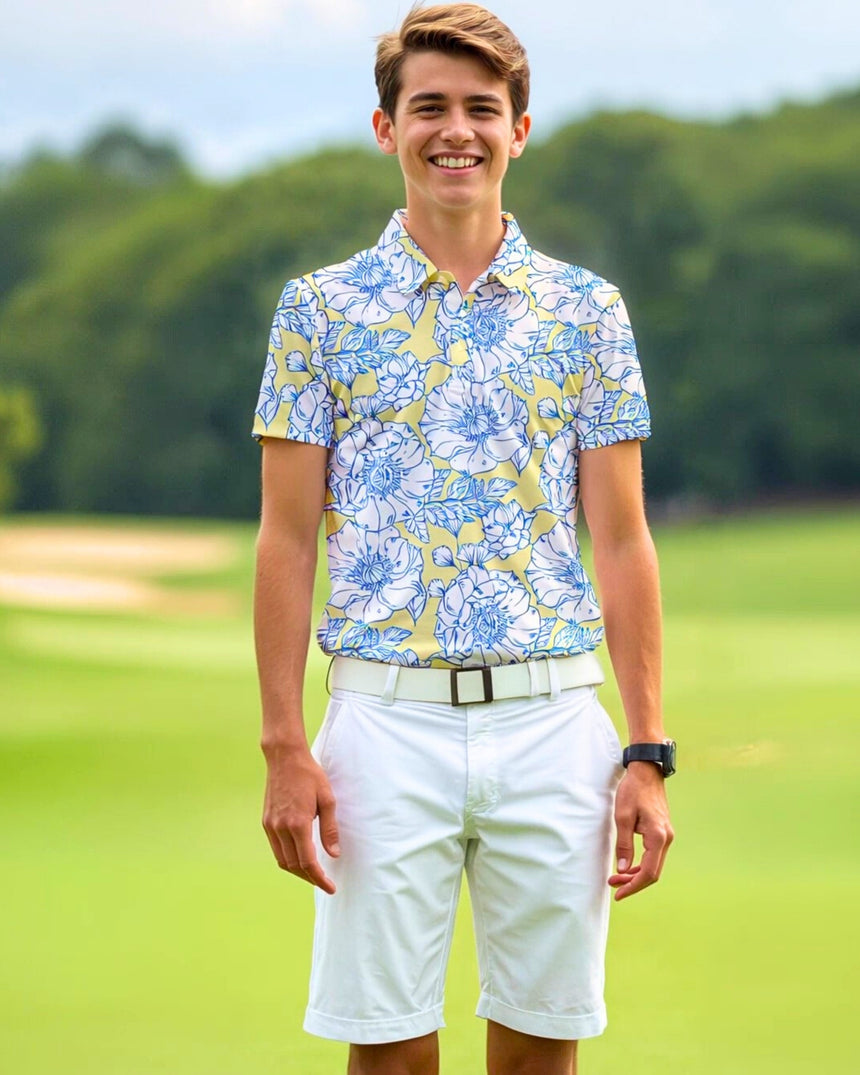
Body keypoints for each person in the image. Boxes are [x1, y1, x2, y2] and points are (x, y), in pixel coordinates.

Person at [252, 4, 674, 1073]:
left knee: (542, 1046)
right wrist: (283, 744)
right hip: (380, 726)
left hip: (552, 722)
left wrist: (646, 749)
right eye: (427, 106)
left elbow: (619, 540)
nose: (456, 131)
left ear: (518, 129)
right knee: (387, 1050)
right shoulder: (319, 311)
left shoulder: (586, 312)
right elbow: (285, 540)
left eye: (481, 109)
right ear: (386, 128)